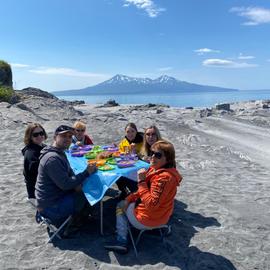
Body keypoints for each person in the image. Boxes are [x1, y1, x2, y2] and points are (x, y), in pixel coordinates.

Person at [105, 140, 182, 254]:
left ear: (168, 159)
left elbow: (151, 204)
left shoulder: (164, 178)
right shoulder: (157, 169)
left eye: (158, 155)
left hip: (150, 218)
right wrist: (129, 198)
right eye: (152, 153)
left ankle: (121, 241)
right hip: (163, 216)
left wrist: (141, 181)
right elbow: (143, 191)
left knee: (119, 206)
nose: (153, 157)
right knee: (126, 201)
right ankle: (156, 229)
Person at [35, 125, 96, 232]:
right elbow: (66, 185)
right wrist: (86, 172)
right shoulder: (52, 159)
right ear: (55, 137)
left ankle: (79, 217)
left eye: (69, 137)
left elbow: (69, 174)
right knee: (89, 195)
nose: (67, 139)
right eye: (63, 136)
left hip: (51, 198)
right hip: (50, 206)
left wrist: (77, 183)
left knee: (82, 189)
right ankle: (75, 224)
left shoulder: (59, 153)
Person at [22, 123, 47, 199]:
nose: (39, 136)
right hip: (38, 193)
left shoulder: (42, 146)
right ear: (30, 137)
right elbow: (36, 171)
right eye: (35, 135)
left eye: (41, 133)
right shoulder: (30, 153)